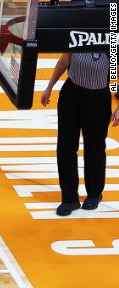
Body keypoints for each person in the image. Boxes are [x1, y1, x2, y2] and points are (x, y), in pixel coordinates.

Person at [41, 51, 118, 216]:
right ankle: (69, 198)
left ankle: (94, 194)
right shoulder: (77, 28)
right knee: (65, 147)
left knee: (95, 148)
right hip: (72, 95)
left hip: (98, 98)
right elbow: (63, 61)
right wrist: (49, 87)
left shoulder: (111, 36)